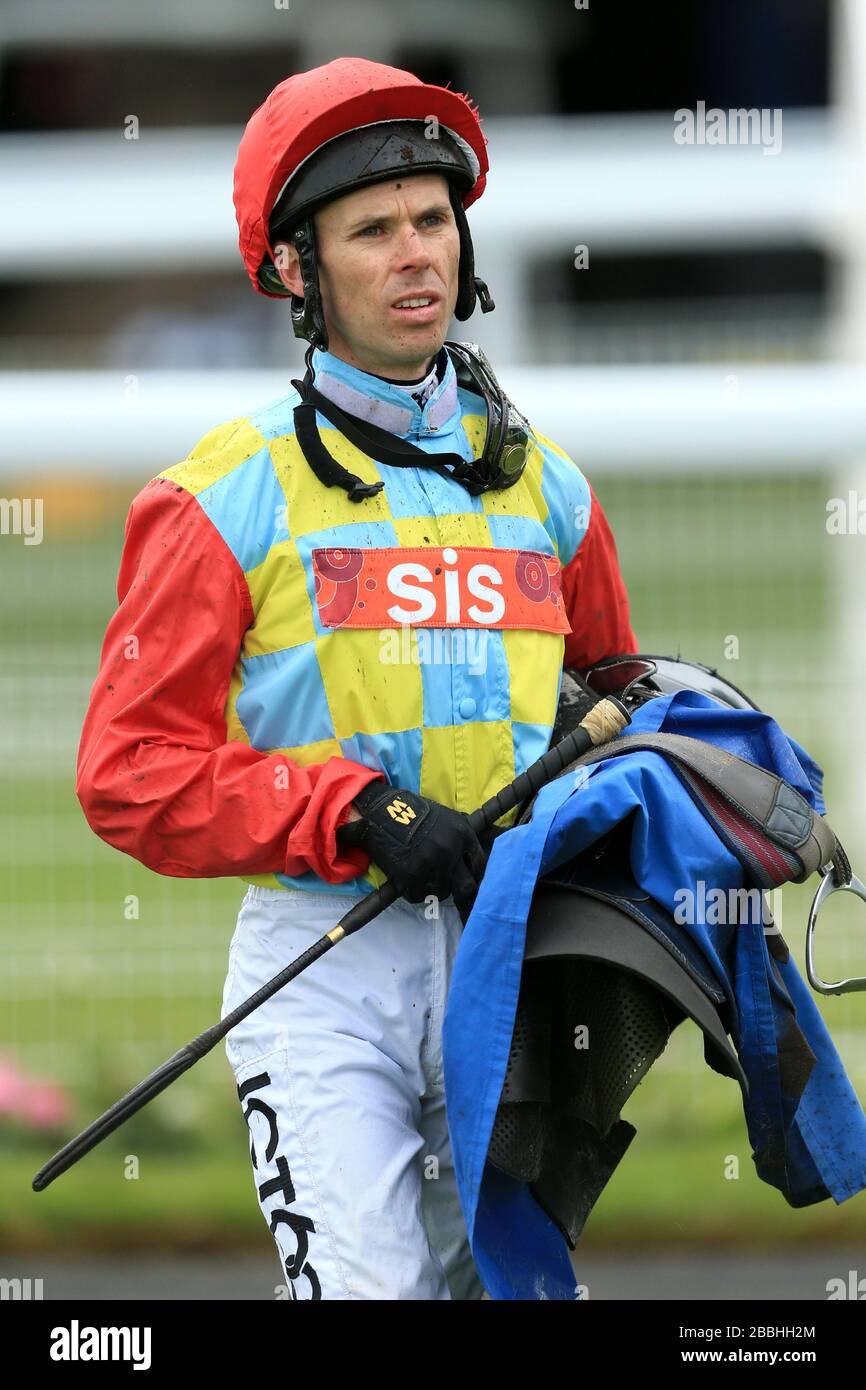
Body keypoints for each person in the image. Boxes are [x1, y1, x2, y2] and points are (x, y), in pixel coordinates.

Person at [76, 55, 637, 1301]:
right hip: (325, 963)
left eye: (431, 219)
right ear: (294, 268)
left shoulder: (550, 488)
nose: (414, 254)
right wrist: (352, 809)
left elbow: (612, 709)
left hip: (520, 957)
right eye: (371, 230)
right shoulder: (213, 497)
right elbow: (126, 774)